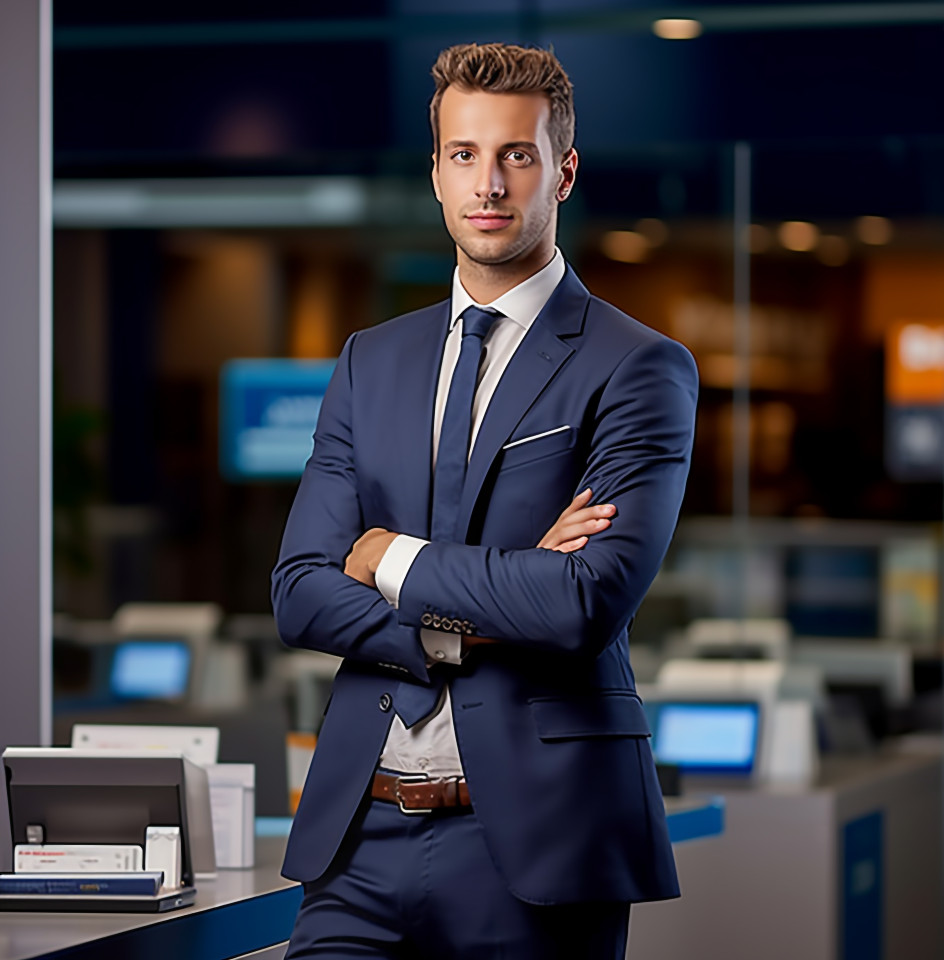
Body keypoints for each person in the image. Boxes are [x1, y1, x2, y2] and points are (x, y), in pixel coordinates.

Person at [272, 41, 698, 960]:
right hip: (359, 838)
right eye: (465, 155)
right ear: (435, 173)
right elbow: (300, 588)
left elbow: (581, 602)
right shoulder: (369, 360)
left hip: (538, 847)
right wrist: (471, 620)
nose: (490, 184)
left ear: (563, 172)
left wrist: (389, 558)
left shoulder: (637, 368)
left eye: (518, 155)